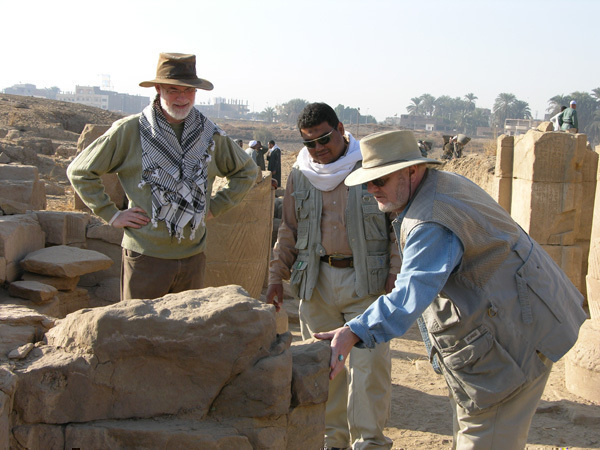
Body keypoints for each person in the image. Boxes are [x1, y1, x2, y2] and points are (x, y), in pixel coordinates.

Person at [315, 130, 587, 449]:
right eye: (368, 181)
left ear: (411, 171)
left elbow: (409, 294)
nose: (371, 189)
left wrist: (354, 332)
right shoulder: (439, 186)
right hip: (517, 322)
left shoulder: (430, 220)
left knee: (485, 435)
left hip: (513, 343)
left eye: (380, 180)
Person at [67, 53, 257, 301]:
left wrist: (215, 207)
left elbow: (247, 171)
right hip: (146, 257)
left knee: (185, 331)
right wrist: (111, 214)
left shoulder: (209, 134)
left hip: (193, 256)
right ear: (158, 89)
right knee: (139, 332)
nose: (181, 97)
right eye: (173, 90)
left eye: (188, 91)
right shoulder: (131, 130)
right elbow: (80, 171)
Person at [266, 102, 400, 449]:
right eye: (309, 143)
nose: (318, 148)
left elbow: (396, 225)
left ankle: (369, 442)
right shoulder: (300, 174)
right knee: (326, 369)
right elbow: (289, 230)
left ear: (340, 129)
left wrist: (395, 272)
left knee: (370, 369)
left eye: (324, 139)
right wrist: (275, 277)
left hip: (367, 283)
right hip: (317, 283)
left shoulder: (370, 167)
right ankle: (331, 442)